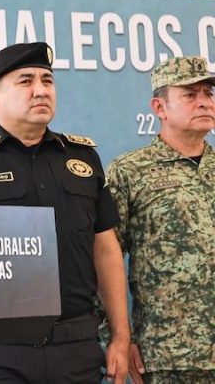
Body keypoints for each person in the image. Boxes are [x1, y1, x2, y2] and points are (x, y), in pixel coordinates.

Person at [0, 42, 129, 384]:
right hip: (0, 351)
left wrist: (121, 337)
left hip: (77, 346)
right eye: (25, 81)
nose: (41, 90)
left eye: (47, 80)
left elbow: (106, 251)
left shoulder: (82, 158)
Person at [106, 56, 215, 384]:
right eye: (189, 94)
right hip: (167, 355)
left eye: (208, 93)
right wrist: (118, 337)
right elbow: (102, 258)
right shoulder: (130, 172)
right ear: (159, 107)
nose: (204, 102)